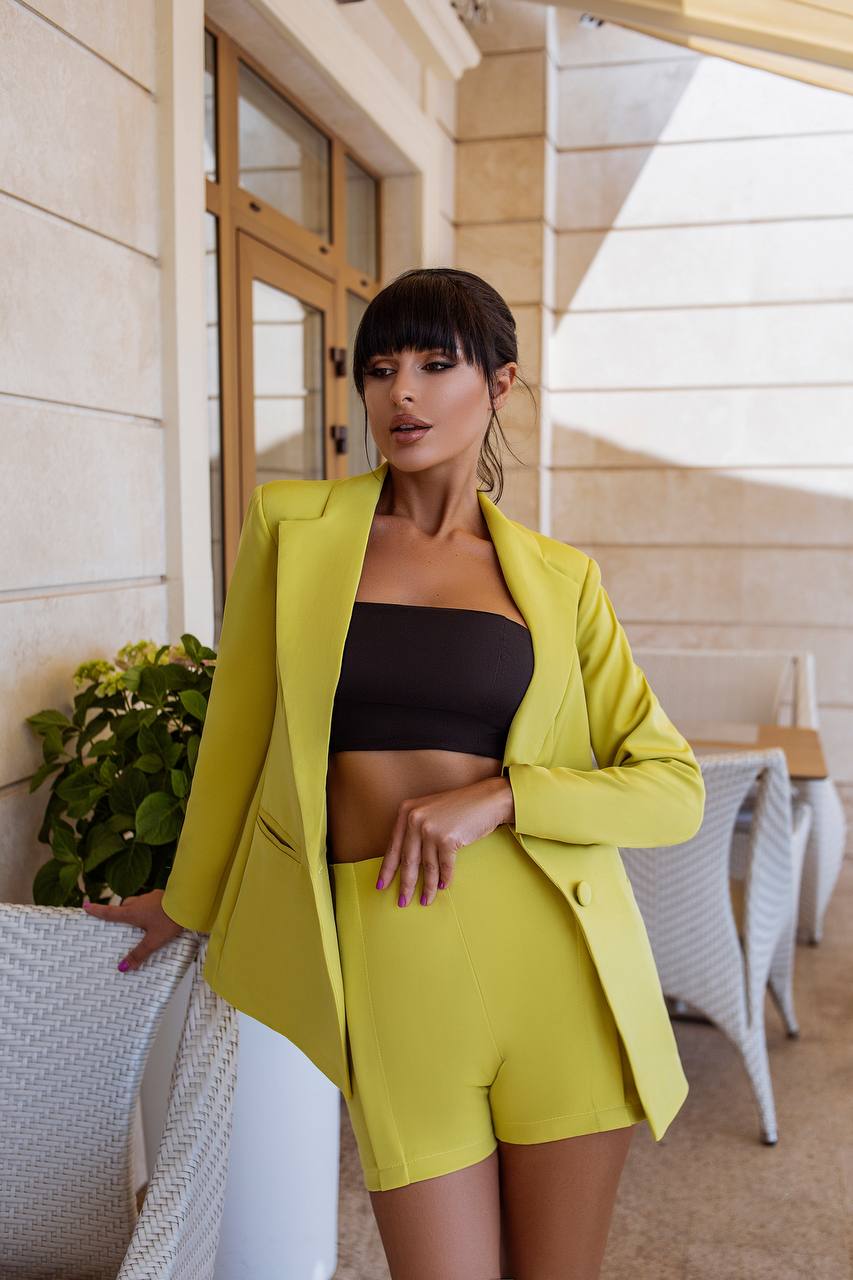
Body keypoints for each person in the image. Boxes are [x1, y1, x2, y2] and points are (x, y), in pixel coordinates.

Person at [85, 268, 705, 1280]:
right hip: (392, 964)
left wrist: (503, 796)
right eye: (379, 368)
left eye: (433, 363)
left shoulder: (557, 579)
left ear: (499, 384)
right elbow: (238, 738)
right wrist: (188, 899)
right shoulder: (295, 530)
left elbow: (671, 786)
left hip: (557, 964)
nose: (400, 393)